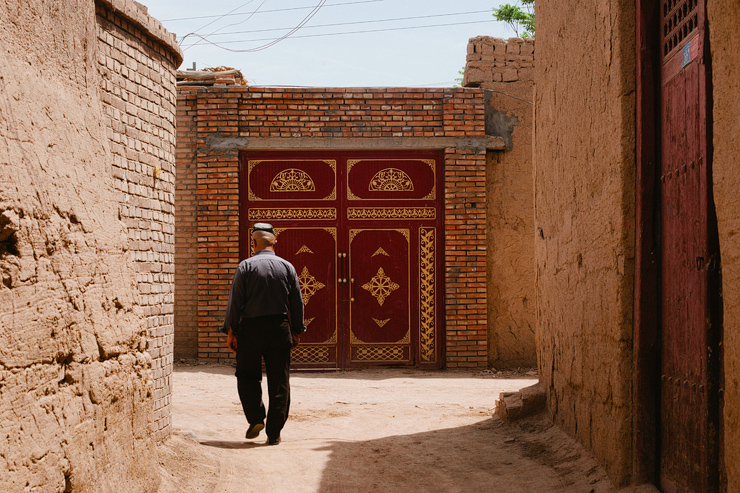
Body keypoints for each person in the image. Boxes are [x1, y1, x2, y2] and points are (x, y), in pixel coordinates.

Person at [220, 222, 305, 445]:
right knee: (279, 380)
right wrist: (296, 330)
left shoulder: (245, 267)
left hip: (250, 329)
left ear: (253, 242)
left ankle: (256, 417)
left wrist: (231, 330)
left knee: (247, 375)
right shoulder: (287, 267)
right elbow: (296, 302)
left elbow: (235, 302)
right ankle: (274, 432)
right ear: (275, 241)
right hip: (279, 328)